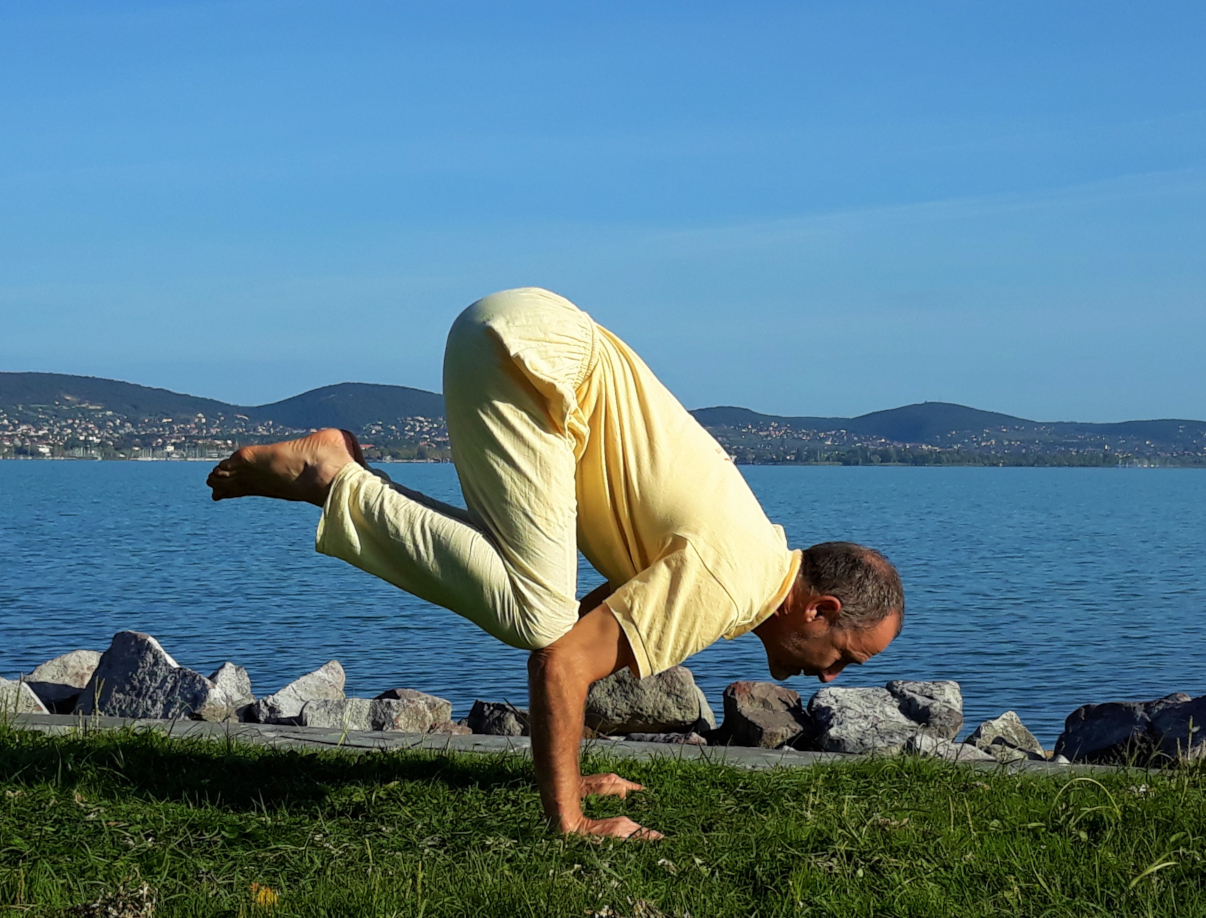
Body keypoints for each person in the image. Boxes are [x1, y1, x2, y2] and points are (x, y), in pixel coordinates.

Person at [207, 287, 904, 840]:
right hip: (536, 357)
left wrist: (569, 773)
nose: (831, 676)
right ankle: (333, 476)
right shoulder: (732, 581)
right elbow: (559, 661)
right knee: (539, 615)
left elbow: (582, 639)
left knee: (545, 606)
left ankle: (344, 477)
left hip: (518, 336)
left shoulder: (747, 556)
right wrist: (569, 821)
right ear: (822, 609)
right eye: (846, 656)